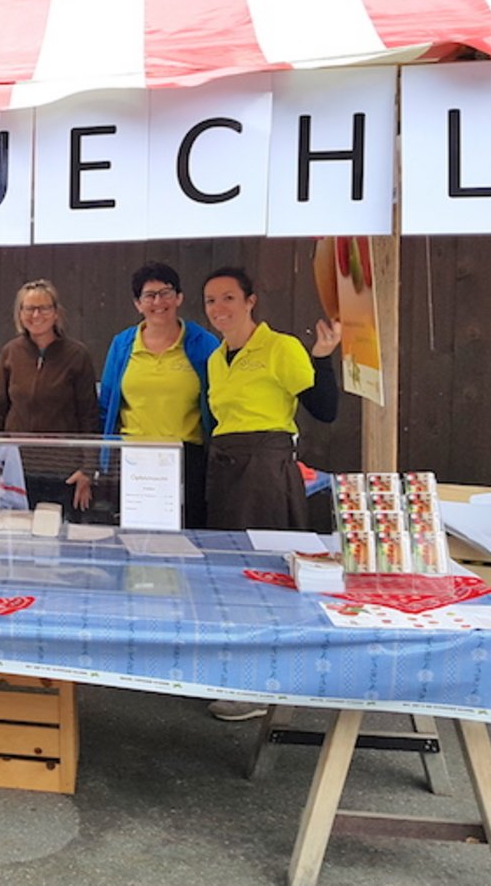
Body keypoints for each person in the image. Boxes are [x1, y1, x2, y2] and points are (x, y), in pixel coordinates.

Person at [201, 265, 341, 721]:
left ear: (250, 300)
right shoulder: (216, 357)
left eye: (227, 298)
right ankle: (237, 671)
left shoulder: (280, 347)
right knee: (230, 572)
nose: (218, 308)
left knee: (266, 571)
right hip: (224, 465)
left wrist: (322, 356)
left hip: (264, 466)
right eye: (210, 301)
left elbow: (324, 409)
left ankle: (266, 682)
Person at [98, 262, 220, 529]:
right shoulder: (122, 344)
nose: (158, 302)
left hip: (187, 458)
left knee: (187, 535)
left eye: (165, 293)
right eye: (149, 296)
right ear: (137, 304)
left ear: (179, 298)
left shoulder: (204, 343)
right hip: (133, 457)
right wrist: (102, 458)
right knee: (135, 538)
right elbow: (106, 405)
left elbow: (219, 401)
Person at [0, 278, 98, 515]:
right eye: (29, 308)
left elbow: (89, 416)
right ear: (20, 314)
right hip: (16, 470)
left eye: (44, 308)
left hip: (63, 472)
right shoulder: (10, 352)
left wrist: (88, 469)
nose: (36, 315)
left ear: (56, 313)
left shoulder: (77, 355)